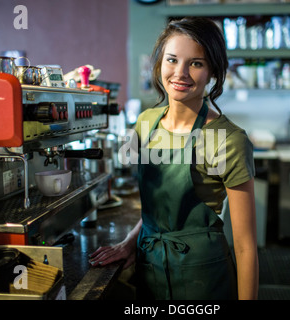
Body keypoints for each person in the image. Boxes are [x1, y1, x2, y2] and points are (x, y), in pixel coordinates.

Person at [89, 17, 258, 300]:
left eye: (196, 63)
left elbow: (245, 246)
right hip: (150, 268)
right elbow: (161, 208)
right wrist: (131, 242)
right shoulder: (145, 122)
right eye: (172, 60)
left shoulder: (229, 140)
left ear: (212, 71)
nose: (180, 73)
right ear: (159, 64)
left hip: (202, 278)